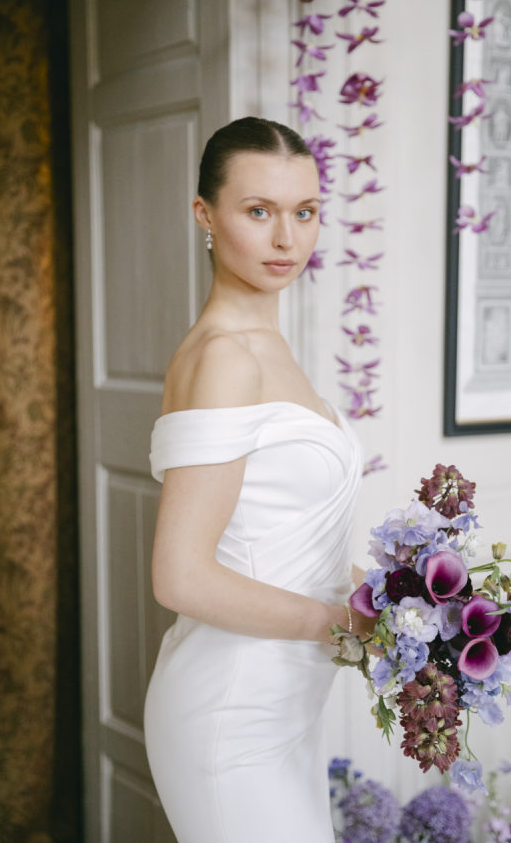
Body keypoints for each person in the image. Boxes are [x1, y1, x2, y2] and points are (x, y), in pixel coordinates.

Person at [143, 117, 374, 842]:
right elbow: (180, 576)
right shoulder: (224, 358)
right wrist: (344, 625)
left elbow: (280, 540)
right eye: (258, 211)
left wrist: (408, 606)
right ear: (205, 215)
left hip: (285, 706)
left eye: (304, 212)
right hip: (232, 711)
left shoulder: (268, 346)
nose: (286, 239)